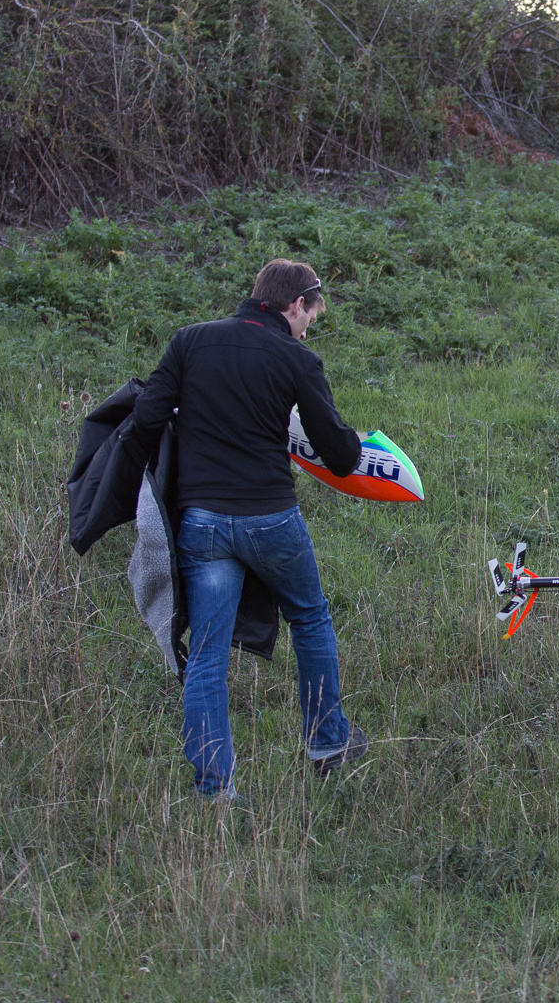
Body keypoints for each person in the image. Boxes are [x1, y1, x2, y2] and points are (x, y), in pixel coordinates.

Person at [131, 258, 369, 799]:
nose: (307, 329)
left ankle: (215, 789)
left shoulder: (190, 341)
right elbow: (339, 457)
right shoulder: (296, 358)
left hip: (203, 526)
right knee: (309, 618)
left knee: (207, 654)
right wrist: (353, 443)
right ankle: (328, 745)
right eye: (310, 318)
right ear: (295, 305)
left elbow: (145, 420)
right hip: (270, 520)